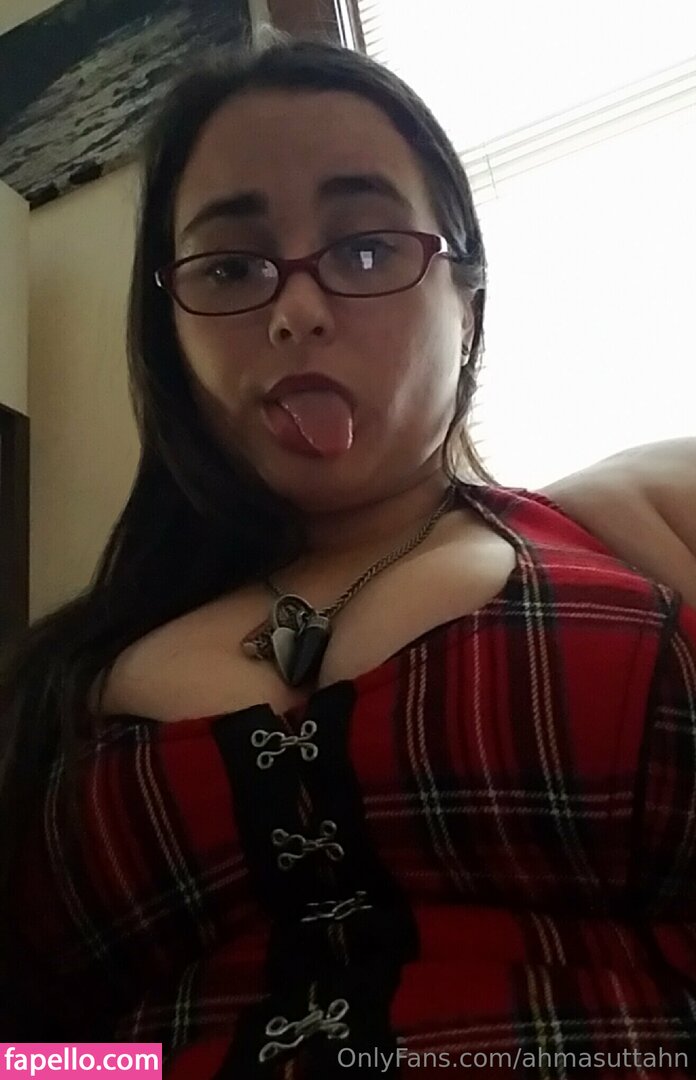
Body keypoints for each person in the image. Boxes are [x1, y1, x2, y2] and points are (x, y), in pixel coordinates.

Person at [1, 30, 695, 1080]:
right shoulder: (58, 684)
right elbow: (31, 1056)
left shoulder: (641, 519)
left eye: (366, 249)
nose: (296, 312)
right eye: (232, 267)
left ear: (467, 301)